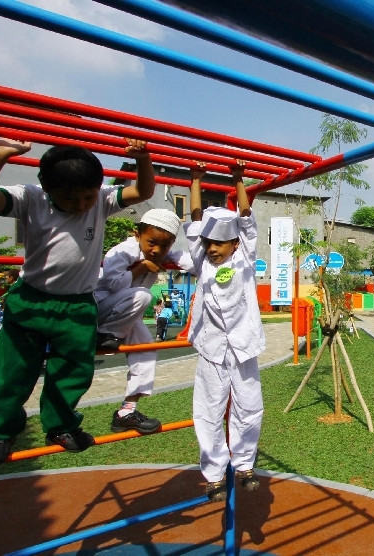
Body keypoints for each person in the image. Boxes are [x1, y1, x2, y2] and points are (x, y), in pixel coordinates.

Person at [0, 137, 156, 466]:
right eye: (70, 199)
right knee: (12, 370)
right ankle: (2, 430)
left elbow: (142, 191)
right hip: (31, 301)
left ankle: (60, 425)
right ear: (47, 188)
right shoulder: (30, 198)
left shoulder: (102, 200)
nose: (82, 205)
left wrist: (143, 160)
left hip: (78, 305)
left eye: (87, 196)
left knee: (74, 371)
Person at [185, 160, 265, 501]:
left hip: (243, 345)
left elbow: (246, 218)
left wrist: (238, 179)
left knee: (249, 405)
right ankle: (214, 473)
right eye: (208, 244)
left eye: (219, 243)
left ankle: (244, 463)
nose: (213, 249)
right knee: (207, 410)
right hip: (212, 346)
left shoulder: (244, 259)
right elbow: (194, 218)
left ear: (235, 243)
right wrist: (196, 180)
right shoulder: (203, 262)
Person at [94, 207, 193, 435]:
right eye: (151, 243)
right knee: (142, 295)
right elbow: (112, 285)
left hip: (126, 314)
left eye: (165, 245)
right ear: (137, 234)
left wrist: (216, 260)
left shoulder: (160, 252)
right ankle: (104, 336)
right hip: (101, 309)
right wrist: (141, 267)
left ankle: (126, 411)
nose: (157, 250)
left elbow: (189, 261)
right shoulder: (122, 252)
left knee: (147, 349)